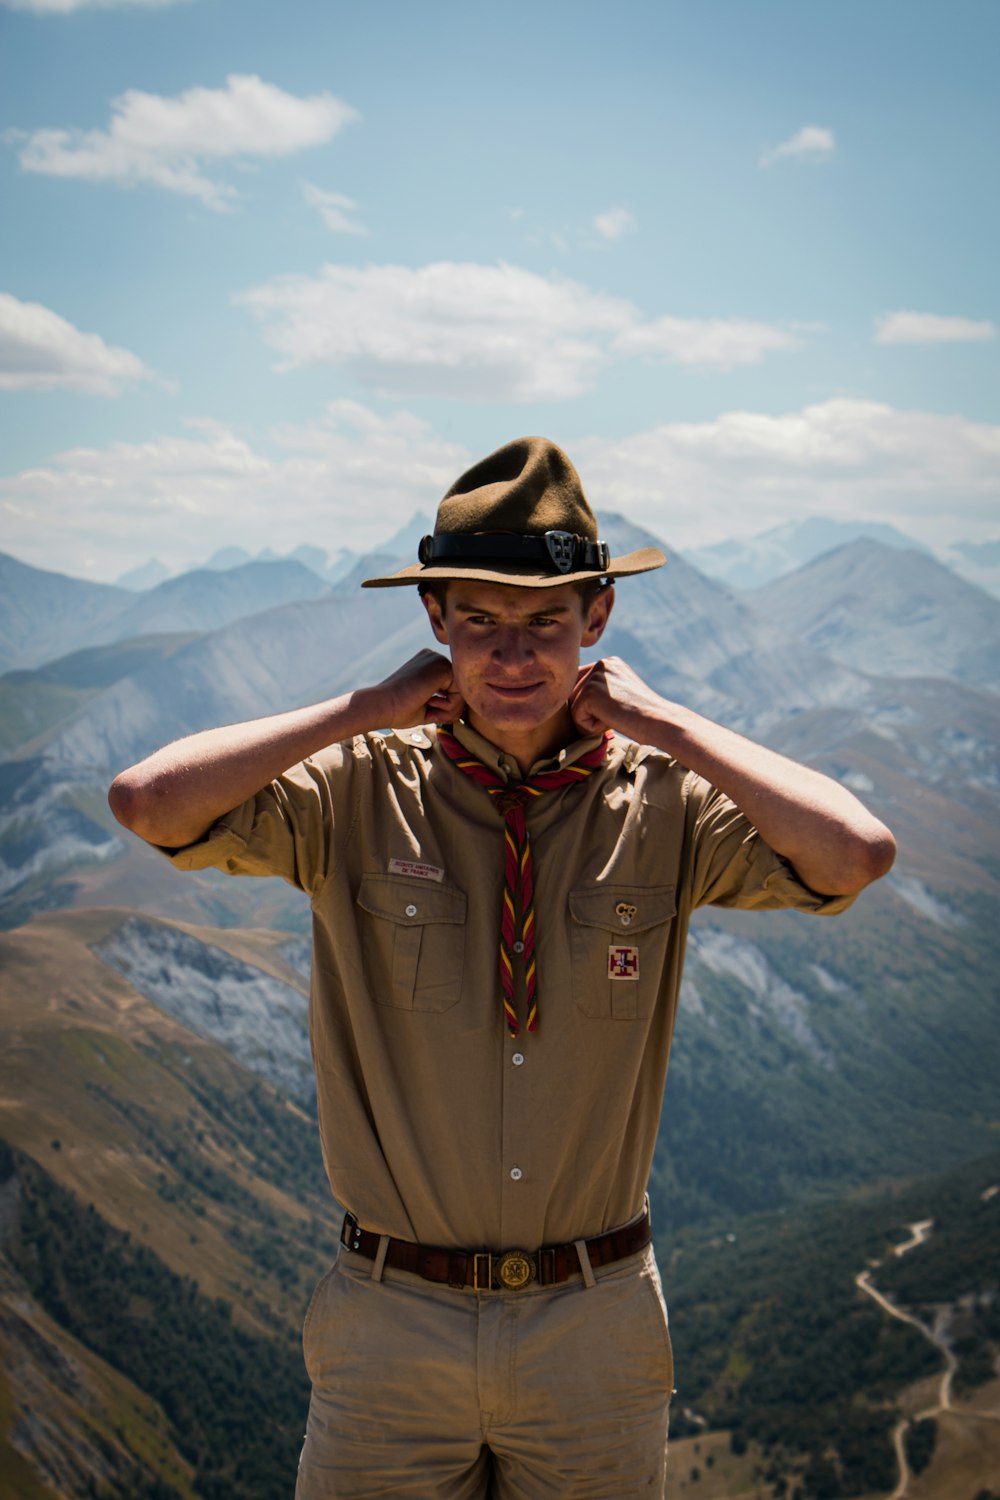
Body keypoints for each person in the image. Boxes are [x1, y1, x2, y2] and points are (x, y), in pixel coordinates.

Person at [108, 436, 896, 1499]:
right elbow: (147, 803)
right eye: (478, 621)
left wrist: (668, 724)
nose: (511, 655)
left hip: (594, 1321)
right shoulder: (355, 789)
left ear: (598, 621)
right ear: (434, 622)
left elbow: (855, 854)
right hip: (390, 1320)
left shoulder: (662, 801)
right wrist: (360, 710)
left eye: (543, 624)